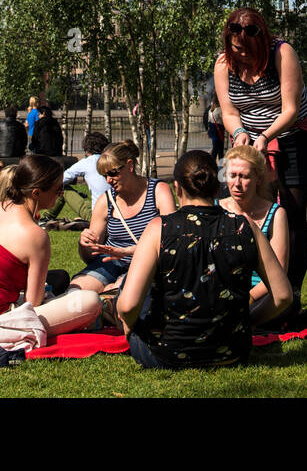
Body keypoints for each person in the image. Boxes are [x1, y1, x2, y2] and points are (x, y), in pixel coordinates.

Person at [117, 150, 292, 369]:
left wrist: (131, 328)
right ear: (218, 187)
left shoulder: (158, 228)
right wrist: (250, 321)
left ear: (177, 188)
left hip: (167, 354)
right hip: (232, 352)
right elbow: (284, 296)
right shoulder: (245, 227)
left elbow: (128, 306)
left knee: (128, 285)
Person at [0, 155, 102, 373]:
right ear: (36, 192)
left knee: (60, 282)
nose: (60, 195)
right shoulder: (35, 236)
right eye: (57, 190)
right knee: (90, 301)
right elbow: (33, 304)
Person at [215, 7, 307, 307]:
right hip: (249, 138)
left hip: (291, 134)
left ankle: (292, 291)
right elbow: (228, 111)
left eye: (249, 50)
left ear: (262, 41)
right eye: (237, 49)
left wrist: (266, 136)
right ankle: (240, 285)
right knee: (235, 205)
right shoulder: (224, 64)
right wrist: (239, 132)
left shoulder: (283, 53)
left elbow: (290, 109)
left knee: (292, 212)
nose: (243, 56)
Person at [71, 139, 174, 293]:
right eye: (104, 175)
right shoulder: (106, 201)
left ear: (130, 165)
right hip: (110, 263)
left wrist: (127, 251)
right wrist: (84, 245)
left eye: (112, 173)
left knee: (117, 292)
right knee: (77, 291)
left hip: (147, 264)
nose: (108, 180)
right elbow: (91, 257)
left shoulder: (159, 191)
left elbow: (172, 244)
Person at [218, 145, 290, 323]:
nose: (237, 183)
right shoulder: (216, 209)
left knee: (287, 302)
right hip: (222, 292)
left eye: (244, 177)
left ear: (258, 178)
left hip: (260, 292)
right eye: (232, 175)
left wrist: (247, 297)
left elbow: (279, 270)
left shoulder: (275, 213)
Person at [40, 132, 109, 223]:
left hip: (98, 217)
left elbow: (61, 179)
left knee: (63, 188)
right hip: (117, 213)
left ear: (86, 149)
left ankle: (46, 218)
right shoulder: (112, 161)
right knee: (88, 203)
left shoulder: (87, 163)